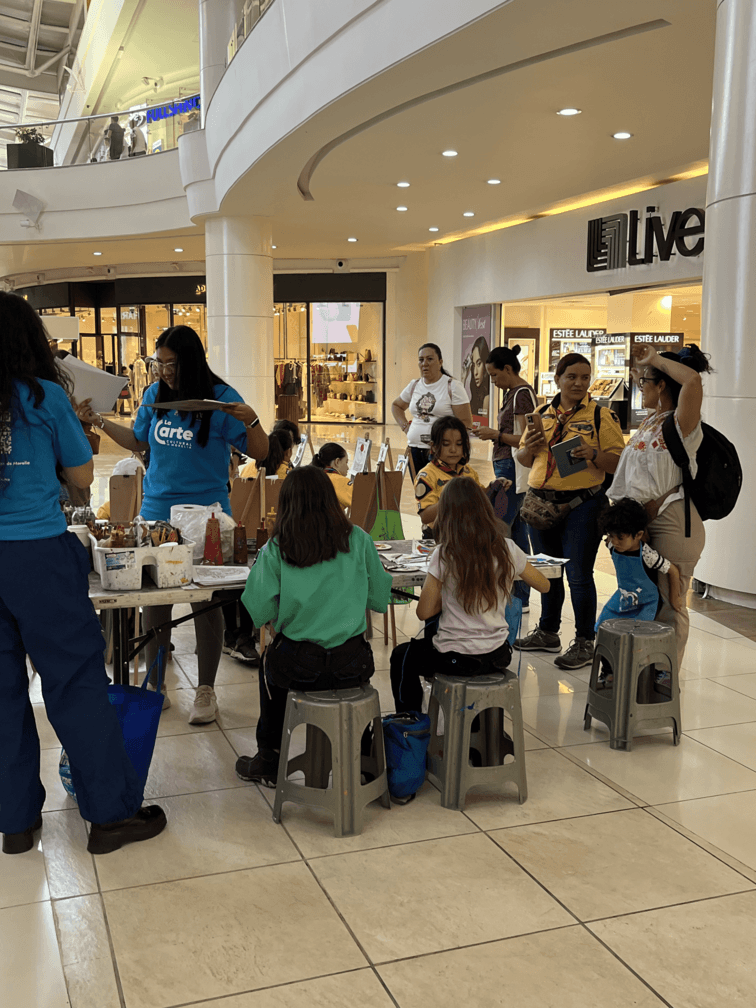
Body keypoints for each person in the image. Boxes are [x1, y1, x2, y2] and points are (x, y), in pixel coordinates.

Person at [0, 292, 165, 855]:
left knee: (1, 694)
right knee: (74, 683)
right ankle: (109, 816)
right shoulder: (43, 396)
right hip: (38, 554)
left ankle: (16, 823)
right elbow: (78, 472)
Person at [76, 325, 269, 725]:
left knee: (204, 602)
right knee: (155, 598)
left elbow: (261, 452)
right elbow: (138, 441)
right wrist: (98, 421)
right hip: (158, 512)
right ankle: (156, 682)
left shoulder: (221, 399)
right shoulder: (154, 395)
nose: (163, 371)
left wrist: (252, 423)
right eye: (158, 363)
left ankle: (206, 690)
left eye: (171, 363)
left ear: (191, 361)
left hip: (206, 517)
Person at [235, 467, 393, 786]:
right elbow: (379, 598)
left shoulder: (278, 547)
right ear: (331, 500)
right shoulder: (359, 540)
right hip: (353, 662)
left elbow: (258, 609)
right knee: (345, 680)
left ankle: (269, 757)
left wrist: (283, 614)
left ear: (286, 504)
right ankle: (364, 760)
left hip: (299, 665)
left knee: (270, 665)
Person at [390, 478, 549, 713]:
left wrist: (451, 596)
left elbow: (423, 611)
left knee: (402, 656)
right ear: (484, 509)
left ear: (446, 514)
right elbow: (544, 585)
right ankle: (483, 726)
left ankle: (410, 725)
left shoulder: (444, 554)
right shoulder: (506, 548)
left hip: (456, 657)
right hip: (497, 653)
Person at [514, 353, 625, 670]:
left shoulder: (601, 416)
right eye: (572, 376)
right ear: (557, 379)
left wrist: (592, 454)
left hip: (583, 505)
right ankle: (548, 632)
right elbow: (523, 458)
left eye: (585, 377)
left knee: (578, 575)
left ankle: (585, 641)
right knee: (548, 572)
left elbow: (618, 463)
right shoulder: (540, 414)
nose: (579, 383)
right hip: (541, 504)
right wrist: (529, 448)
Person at [608, 344, 711, 668]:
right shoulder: (651, 422)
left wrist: (656, 359)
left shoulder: (682, 423)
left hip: (673, 523)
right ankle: (643, 673)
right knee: (645, 599)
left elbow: (693, 382)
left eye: (644, 382)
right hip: (643, 526)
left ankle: (664, 682)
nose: (640, 387)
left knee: (672, 603)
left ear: (662, 383)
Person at [596, 498, 682, 689]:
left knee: (640, 638)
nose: (615, 542)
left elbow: (672, 570)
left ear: (639, 535)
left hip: (646, 602)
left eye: (621, 537)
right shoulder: (611, 546)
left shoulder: (647, 555)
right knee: (602, 627)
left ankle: (656, 672)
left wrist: (675, 598)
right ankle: (609, 671)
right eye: (611, 536)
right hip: (624, 597)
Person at [475, 346, 538, 607]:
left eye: (494, 375)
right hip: (506, 465)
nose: (492, 381)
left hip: (512, 468)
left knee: (502, 527)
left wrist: (496, 435)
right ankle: (518, 595)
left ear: (508, 369)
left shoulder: (522, 395)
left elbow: (525, 439)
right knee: (516, 530)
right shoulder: (513, 393)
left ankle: (512, 592)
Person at [414, 416, 508, 533]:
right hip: (440, 535)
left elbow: (480, 497)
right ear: (433, 446)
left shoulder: (468, 472)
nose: (453, 450)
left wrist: (494, 486)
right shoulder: (426, 475)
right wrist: (451, 499)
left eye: (459, 444)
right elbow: (425, 517)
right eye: (446, 444)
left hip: (468, 533)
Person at [392, 343, 472, 476]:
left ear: (440, 362)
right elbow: (396, 406)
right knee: (421, 491)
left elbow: (466, 423)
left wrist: (447, 442)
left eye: (430, 359)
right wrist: (406, 427)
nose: (425, 363)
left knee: (441, 492)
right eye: (421, 360)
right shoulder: (414, 385)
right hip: (415, 449)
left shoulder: (453, 386)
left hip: (441, 453)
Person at [311, 442, 352, 509]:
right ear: (337, 462)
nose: (347, 467)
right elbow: (361, 501)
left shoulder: (313, 476)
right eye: (346, 462)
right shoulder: (340, 481)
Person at [466, 336, 491, 419]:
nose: (475, 372)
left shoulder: (487, 398)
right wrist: (463, 378)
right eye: (473, 365)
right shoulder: (476, 395)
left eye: (479, 363)